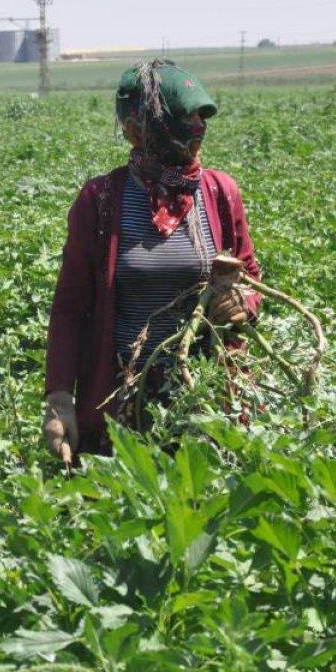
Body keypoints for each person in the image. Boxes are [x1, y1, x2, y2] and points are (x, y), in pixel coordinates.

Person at [43, 60, 261, 464]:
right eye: (184, 125)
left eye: (200, 122)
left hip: (206, 395)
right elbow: (70, 308)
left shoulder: (218, 192)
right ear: (135, 132)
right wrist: (59, 398)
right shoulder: (101, 202)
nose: (197, 134)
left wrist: (241, 303)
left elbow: (247, 274)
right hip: (124, 397)